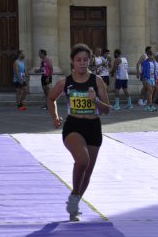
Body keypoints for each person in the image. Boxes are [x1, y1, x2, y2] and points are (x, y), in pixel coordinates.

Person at [47, 43, 110, 221]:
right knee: (82, 161)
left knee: (88, 171)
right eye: (78, 60)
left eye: (85, 60)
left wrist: (96, 101)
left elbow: (107, 110)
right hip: (73, 126)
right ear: (72, 62)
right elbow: (51, 98)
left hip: (93, 127)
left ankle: (74, 202)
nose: (82, 63)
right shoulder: (65, 82)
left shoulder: (97, 81)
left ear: (89, 61)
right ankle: (74, 196)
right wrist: (55, 117)